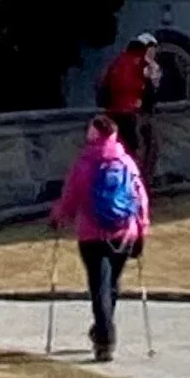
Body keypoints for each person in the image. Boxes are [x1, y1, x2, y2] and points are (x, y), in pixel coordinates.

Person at [48, 111, 150, 364]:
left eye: (90, 130)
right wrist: (142, 230)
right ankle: (103, 330)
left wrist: (58, 217)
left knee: (99, 287)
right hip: (124, 233)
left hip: (92, 235)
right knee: (111, 284)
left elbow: (70, 196)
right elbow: (140, 198)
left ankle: (104, 337)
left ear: (96, 134)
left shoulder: (85, 162)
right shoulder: (126, 162)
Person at [96, 35, 161, 164]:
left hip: (114, 112)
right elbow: (149, 92)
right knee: (141, 148)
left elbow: (103, 86)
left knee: (118, 148)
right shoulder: (143, 64)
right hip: (133, 113)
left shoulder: (117, 61)